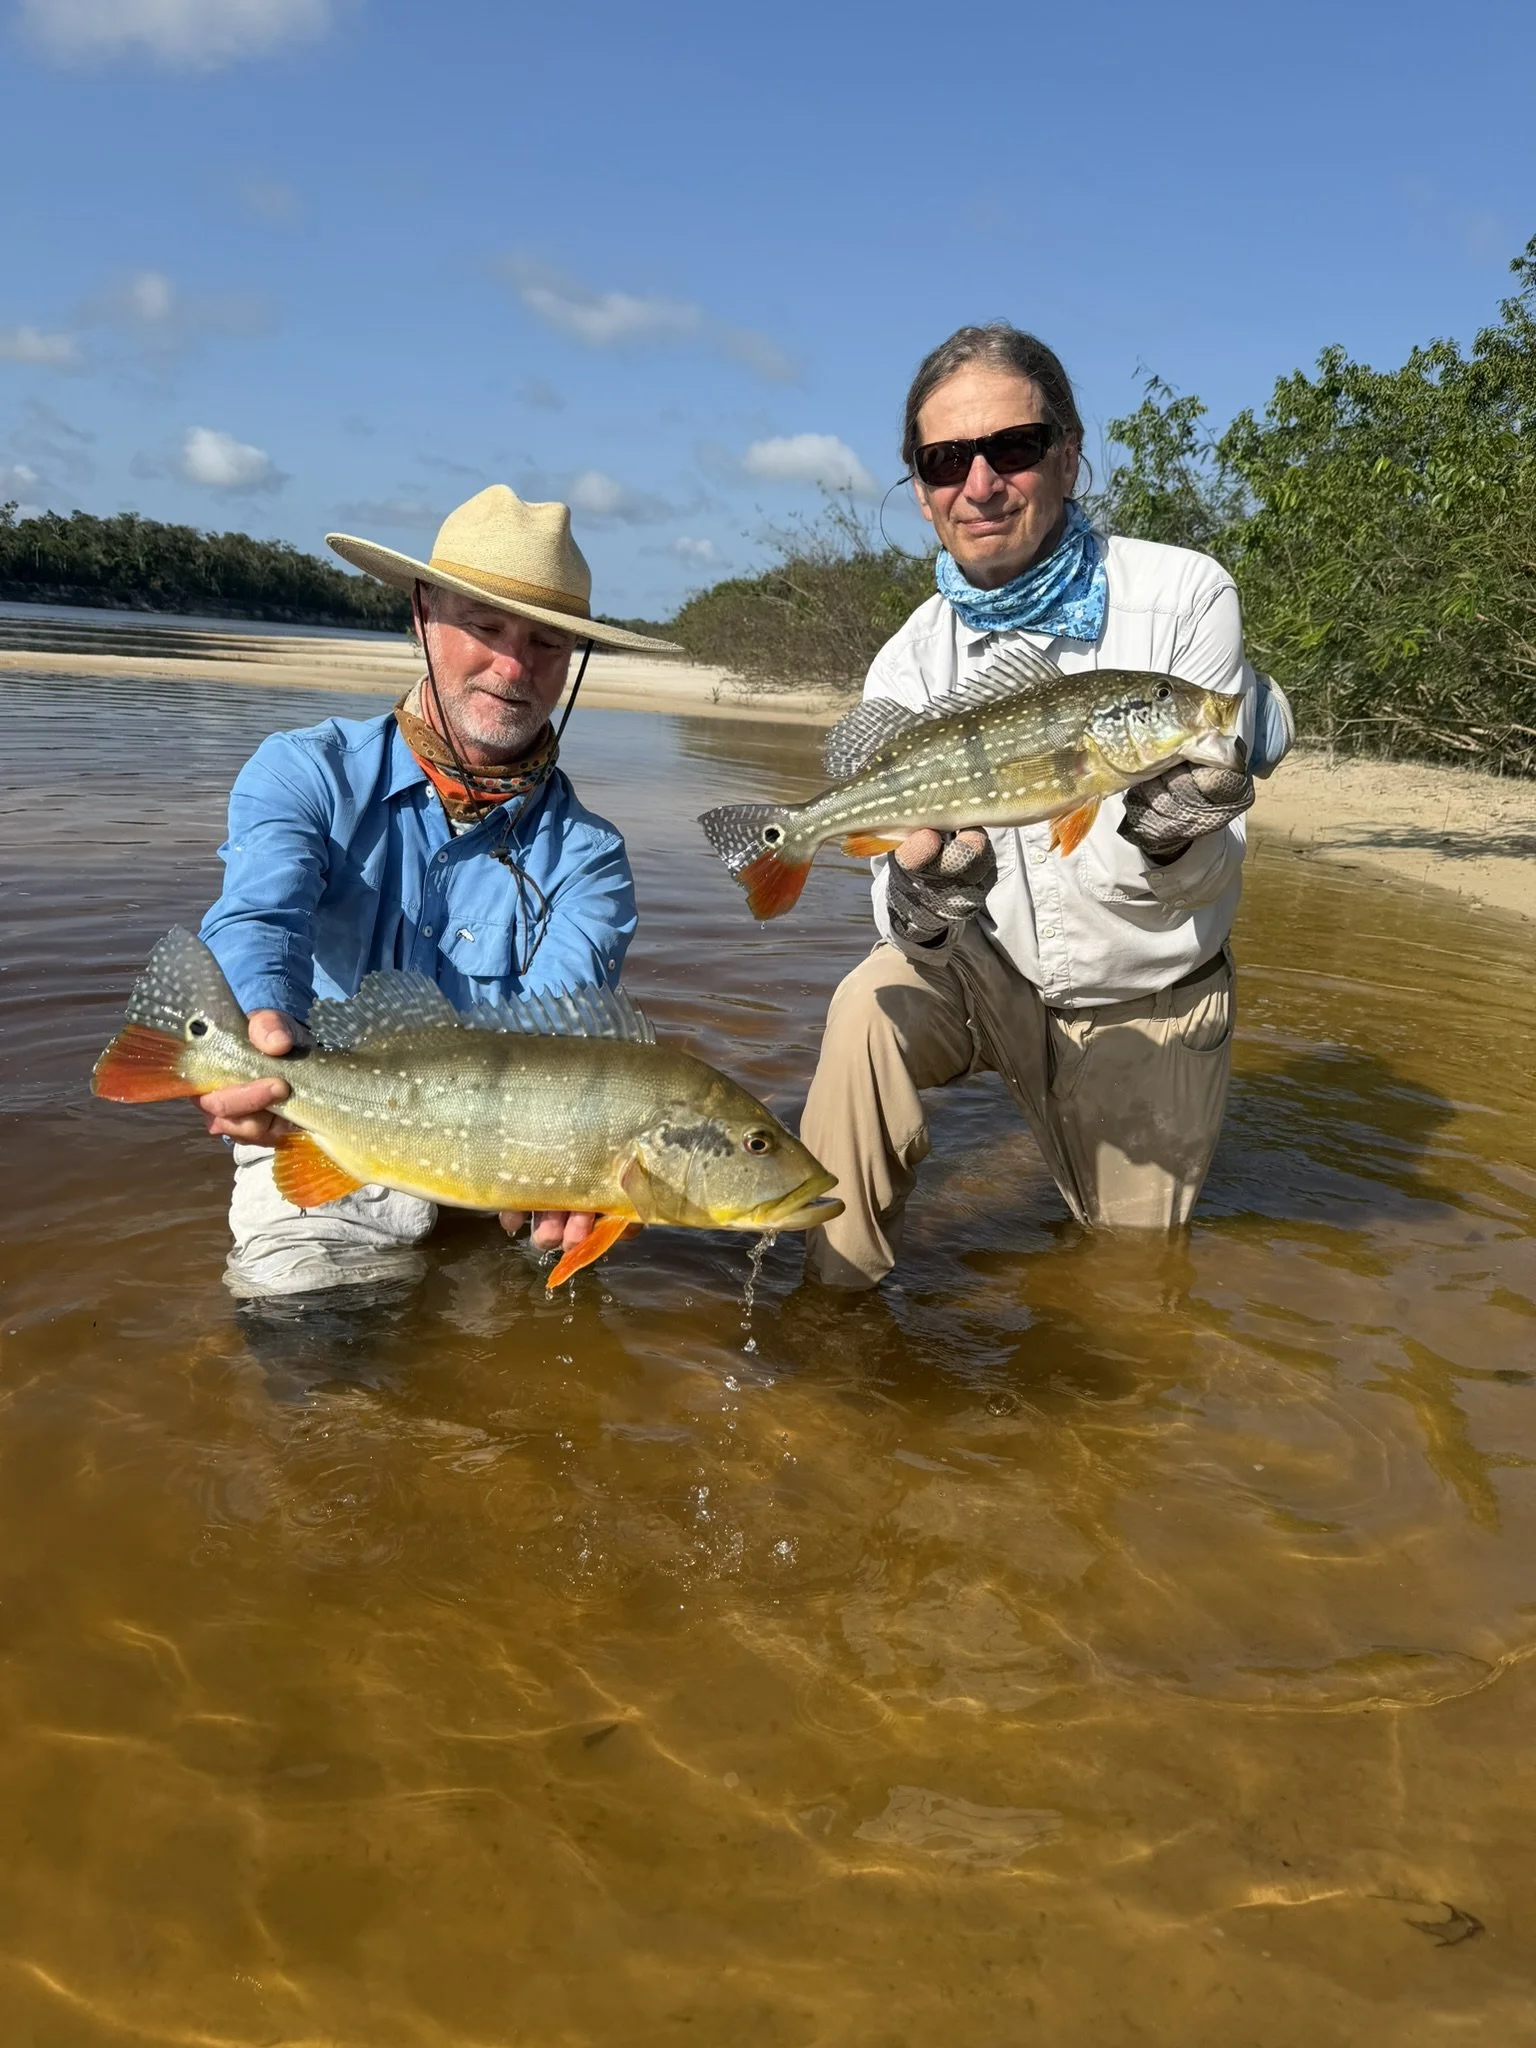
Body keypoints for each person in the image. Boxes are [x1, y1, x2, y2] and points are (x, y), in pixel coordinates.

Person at [800, 324, 1293, 1289]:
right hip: (981, 977)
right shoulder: (905, 660)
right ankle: (825, 1320)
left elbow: (1205, 867)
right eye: (944, 461)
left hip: (1144, 995)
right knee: (865, 1005)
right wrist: (926, 898)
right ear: (921, 489)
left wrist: (1165, 831)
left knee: (1129, 1294)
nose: (979, 484)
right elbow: (892, 910)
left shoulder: (1186, 594)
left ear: (1068, 453)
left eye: (1012, 448)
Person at [196, 483, 678, 1301]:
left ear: (573, 662)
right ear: (421, 613)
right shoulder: (303, 772)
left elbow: (556, 1035)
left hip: (517, 1169)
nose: (514, 666)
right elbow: (260, 919)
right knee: (309, 1360)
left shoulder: (591, 857)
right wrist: (254, 1034)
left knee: (525, 1386)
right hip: (327, 1123)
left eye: (547, 643)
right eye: (484, 628)